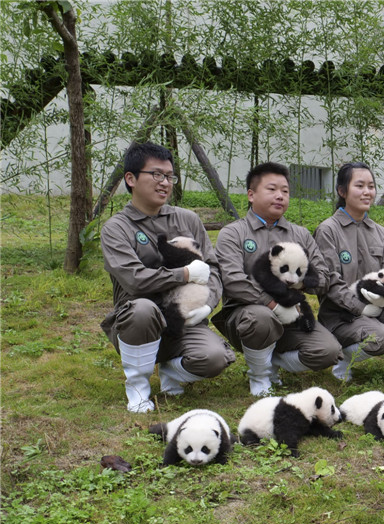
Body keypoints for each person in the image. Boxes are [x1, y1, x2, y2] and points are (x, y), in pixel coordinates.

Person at [100, 142, 235, 413]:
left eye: (169, 176)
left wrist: (208, 303)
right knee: (142, 308)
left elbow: (213, 270)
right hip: (139, 323)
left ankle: (171, 370)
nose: (165, 183)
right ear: (131, 178)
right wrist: (184, 273)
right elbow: (135, 281)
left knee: (215, 358)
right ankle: (138, 386)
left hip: (183, 319)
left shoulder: (188, 220)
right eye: (156, 174)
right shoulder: (116, 228)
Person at [212, 162, 342, 395]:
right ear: (251, 195)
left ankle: (271, 360)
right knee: (262, 317)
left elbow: (323, 277)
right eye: (272, 189)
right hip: (247, 315)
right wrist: (272, 303)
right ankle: (260, 376)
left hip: (293, 314)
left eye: (285, 191)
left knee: (328, 352)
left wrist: (297, 282)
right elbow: (233, 281)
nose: (280, 196)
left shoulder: (300, 234)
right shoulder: (233, 233)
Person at [314, 162, 384, 386]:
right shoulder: (328, 230)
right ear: (342, 191)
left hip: (378, 309)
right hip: (342, 315)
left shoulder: (381, 233)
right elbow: (331, 283)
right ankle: (341, 361)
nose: (367, 192)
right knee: (383, 337)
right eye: (359, 185)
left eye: (370, 186)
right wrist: (360, 308)